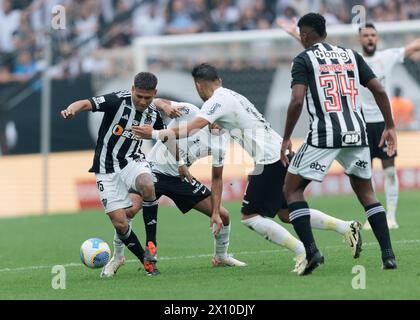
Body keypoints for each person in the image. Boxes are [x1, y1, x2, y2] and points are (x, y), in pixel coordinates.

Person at [132, 63, 363, 276]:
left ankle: (303, 252)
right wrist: (161, 103)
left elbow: (192, 128)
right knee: (285, 213)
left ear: (198, 86)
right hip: (283, 154)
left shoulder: (215, 101)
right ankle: (345, 227)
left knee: (250, 217)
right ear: (219, 80)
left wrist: (152, 134)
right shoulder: (233, 95)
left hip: (270, 159)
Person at [280, 13, 397, 275]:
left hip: (325, 134)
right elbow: (379, 89)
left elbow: (297, 101)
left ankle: (312, 252)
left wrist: (286, 137)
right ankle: (388, 255)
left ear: (306, 36)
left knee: (292, 190)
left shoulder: (302, 60)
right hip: (357, 132)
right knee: (367, 194)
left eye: (301, 35)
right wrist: (390, 126)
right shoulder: (350, 55)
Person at [277, 19, 420, 230]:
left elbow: (414, 46)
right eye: (366, 36)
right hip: (359, 123)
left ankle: (390, 216)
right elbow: (318, 52)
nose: (369, 38)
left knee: (389, 171)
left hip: (380, 123)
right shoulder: (352, 57)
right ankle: (376, 222)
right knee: (365, 179)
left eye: (373, 35)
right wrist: (296, 35)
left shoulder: (387, 57)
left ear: (377, 38)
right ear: (360, 39)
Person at [101, 100, 247, 278]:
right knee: (128, 211)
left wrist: (215, 211)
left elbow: (217, 177)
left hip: (181, 178)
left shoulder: (222, 143)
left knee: (223, 215)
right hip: (153, 170)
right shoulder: (190, 112)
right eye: (220, 119)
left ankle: (221, 256)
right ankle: (118, 257)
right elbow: (155, 101)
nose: (221, 125)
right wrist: (165, 107)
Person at [61, 72, 181, 277]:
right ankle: (145, 260)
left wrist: (180, 164)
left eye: (148, 98)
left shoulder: (153, 113)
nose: (143, 101)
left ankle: (152, 242)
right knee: (120, 222)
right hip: (105, 168)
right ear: (132, 89)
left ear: (155, 94)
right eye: (139, 96)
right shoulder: (117, 100)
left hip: (132, 161)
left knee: (147, 183)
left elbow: (165, 137)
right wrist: (72, 108)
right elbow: (85, 103)